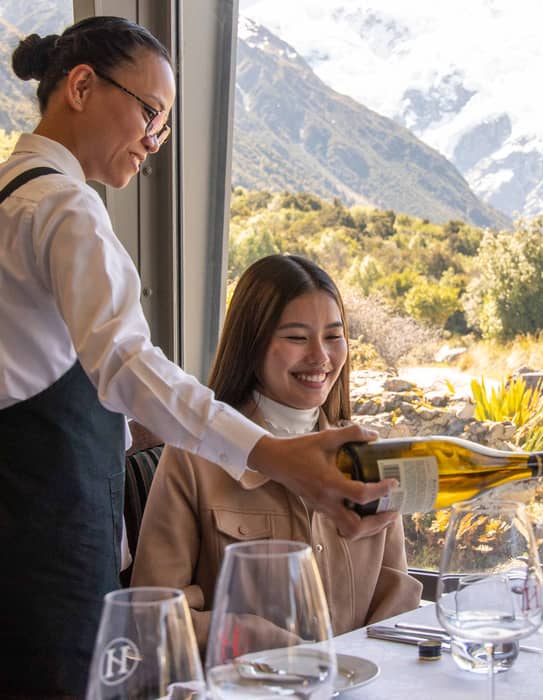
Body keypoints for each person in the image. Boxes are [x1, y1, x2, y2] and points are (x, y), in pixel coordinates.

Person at [0, 17, 395, 697]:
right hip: (41, 551)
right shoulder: (63, 208)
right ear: (83, 86)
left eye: (167, 124)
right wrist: (269, 453)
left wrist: (158, 432)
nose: (155, 140)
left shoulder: (13, 195)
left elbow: (41, 380)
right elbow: (126, 363)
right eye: (151, 112)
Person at [132, 254, 422, 650]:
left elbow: (398, 600)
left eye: (334, 337)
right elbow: (152, 616)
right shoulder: (193, 459)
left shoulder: (370, 458)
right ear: (251, 343)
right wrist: (240, 636)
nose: (320, 357)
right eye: (297, 338)